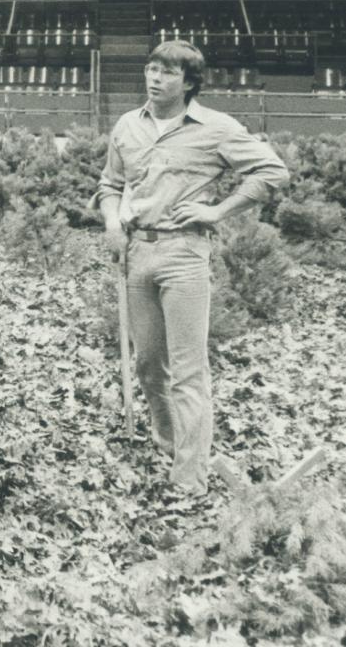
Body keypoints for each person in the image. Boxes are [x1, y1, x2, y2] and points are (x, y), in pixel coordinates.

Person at [94, 40, 287, 498]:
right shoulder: (127, 125)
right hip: (137, 253)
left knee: (188, 371)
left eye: (167, 72)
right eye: (151, 68)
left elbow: (271, 172)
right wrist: (110, 224)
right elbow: (110, 184)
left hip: (184, 256)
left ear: (189, 82)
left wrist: (218, 212)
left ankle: (189, 480)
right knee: (148, 367)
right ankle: (169, 441)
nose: (155, 78)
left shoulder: (216, 128)